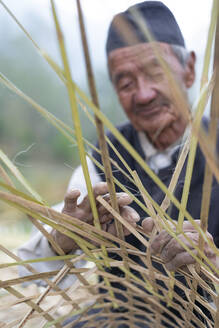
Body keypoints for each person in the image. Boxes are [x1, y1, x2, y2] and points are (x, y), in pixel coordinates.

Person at [18, 1, 219, 327]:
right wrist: (64, 240)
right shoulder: (101, 161)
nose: (142, 95)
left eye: (157, 73)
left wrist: (212, 263)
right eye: (125, 83)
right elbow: (28, 268)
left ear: (190, 70)